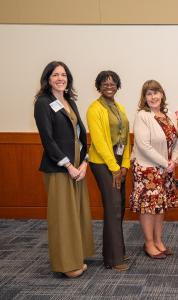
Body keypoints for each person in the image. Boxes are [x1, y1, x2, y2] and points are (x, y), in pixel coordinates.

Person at [34, 61, 94, 278]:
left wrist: (84, 162)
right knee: (63, 217)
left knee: (76, 214)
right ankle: (67, 265)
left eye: (64, 75)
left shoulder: (69, 101)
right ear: (48, 79)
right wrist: (68, 165)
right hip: (60, 169)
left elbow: (80, 134)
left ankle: (77, 256)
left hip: (78, 168)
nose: (60, 78)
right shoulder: (43, 103)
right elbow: (48, 140)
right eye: (55, 75)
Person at [129, 80, 178, 259]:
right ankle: (149, 243)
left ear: (162, 94)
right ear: (144, 98)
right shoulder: (143, 116)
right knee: (149, 208)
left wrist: (173, 161)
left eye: (156, 93)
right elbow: (143, 146)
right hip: (147, 169)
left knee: (160, 207)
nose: (153, 97)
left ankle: (158, 241)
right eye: (149, 94)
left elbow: (177, 141)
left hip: (166, 169)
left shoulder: (168, 116)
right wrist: (166, 163)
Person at [87, 70, 131, 271]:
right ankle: (114, 259)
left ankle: (115, 251)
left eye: (113, 83)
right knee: (113, 206)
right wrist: (114, 168)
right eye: (104, 83)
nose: (109, 86)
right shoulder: (94, 109)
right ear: (98, 86)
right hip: (103, 163)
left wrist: (124, 165)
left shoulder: (119, 107)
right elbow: (99, 142)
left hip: (119, 163)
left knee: (119, 206)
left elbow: (126, 138)